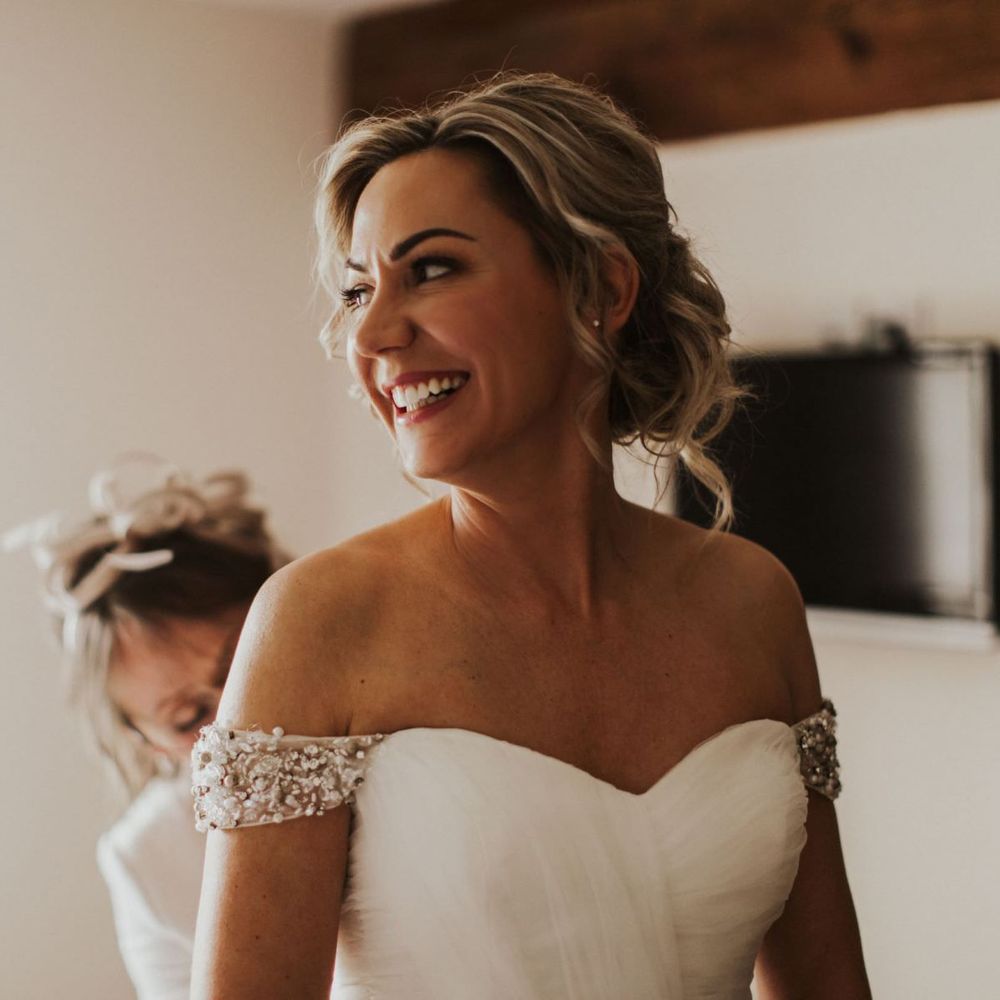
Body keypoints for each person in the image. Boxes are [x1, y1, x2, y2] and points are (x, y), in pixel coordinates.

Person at [190, 73, 871, 998]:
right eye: (359, 290)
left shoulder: (753, 603)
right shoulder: (320, 622)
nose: (376, 333)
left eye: (430, 268)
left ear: (600, 287)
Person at [6, 454, 288, 1000]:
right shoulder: (148, 859)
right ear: (149, 744)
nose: (237, 715)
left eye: (244, 664)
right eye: (188, 717)